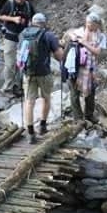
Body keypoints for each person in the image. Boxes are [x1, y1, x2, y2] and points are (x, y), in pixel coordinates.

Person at [21, 12, 64, 143]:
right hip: (44, 73)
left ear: (32, 22)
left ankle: (30, 132)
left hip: (28, 73)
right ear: (44, 23)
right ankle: (43, 126)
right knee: (46, 98)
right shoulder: (48, 35)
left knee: (29, 101)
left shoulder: (23, 34)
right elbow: (60, 56)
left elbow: (20, 55)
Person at [64, 12, 107, 123]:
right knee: (74, 93)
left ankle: (89, 115)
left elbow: (97, 52)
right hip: (75, 67)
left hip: (90, 68)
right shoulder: (79, 32)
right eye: (87, 22)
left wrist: (84, 43)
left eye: (91, 24)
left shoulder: (101, 36)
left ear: (97, 25)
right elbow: (67, 37)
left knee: (90, 92)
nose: (88, 25)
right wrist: (71, 37)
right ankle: (78, 117)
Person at [0, 0, 34, 98]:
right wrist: (13, 19)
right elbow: (0, 16)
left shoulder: (28, 6)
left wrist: (30, 24)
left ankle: (18, 86)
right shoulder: (10, 4)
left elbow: (32, 18)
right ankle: (8, 87)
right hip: (10, 36)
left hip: (23, 37)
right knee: (9, 63)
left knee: (21, 62)